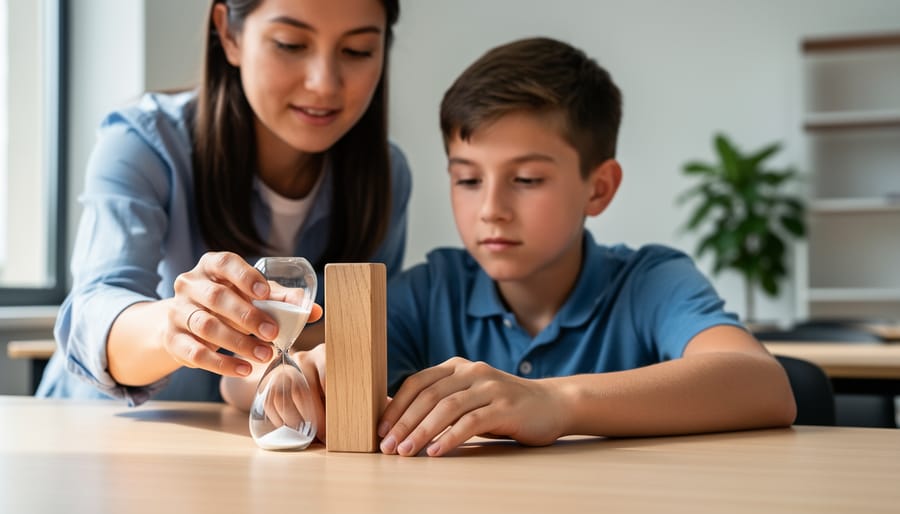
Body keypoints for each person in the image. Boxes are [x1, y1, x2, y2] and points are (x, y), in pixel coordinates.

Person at [224, 36, 796, 456]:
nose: (491, 207)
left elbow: (763, 384)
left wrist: (555, 402)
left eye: (526, 180)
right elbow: (235, 382)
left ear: (599, 188)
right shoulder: (430, 290)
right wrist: (304, 372)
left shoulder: (650, 282)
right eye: (468, 179)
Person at [37, 0, 409, 406]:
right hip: (97, 432)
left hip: (253, 451)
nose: (324, 83)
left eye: (357, 51)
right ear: (229, 34)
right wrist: (176, 325)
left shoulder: (385, 175)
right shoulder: (145, 142)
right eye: (290, 44)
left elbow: (356, 333)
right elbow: (93, 314)